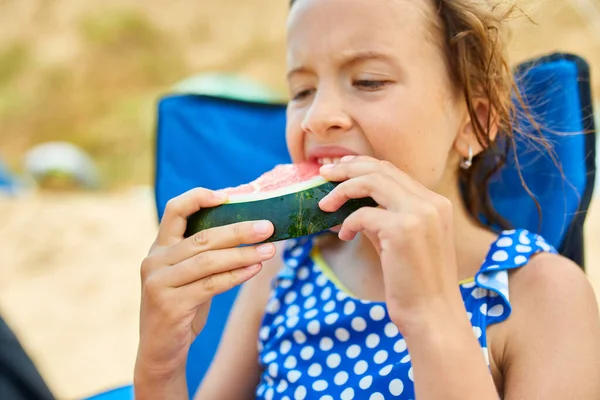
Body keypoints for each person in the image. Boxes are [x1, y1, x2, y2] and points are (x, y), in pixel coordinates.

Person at [133, 0, 600, 398]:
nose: (318, 118)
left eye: (370, 80)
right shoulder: (282, 271)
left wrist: (431, 315)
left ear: (473, 120)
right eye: (302, 90)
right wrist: (161, 366)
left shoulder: (542, 294)